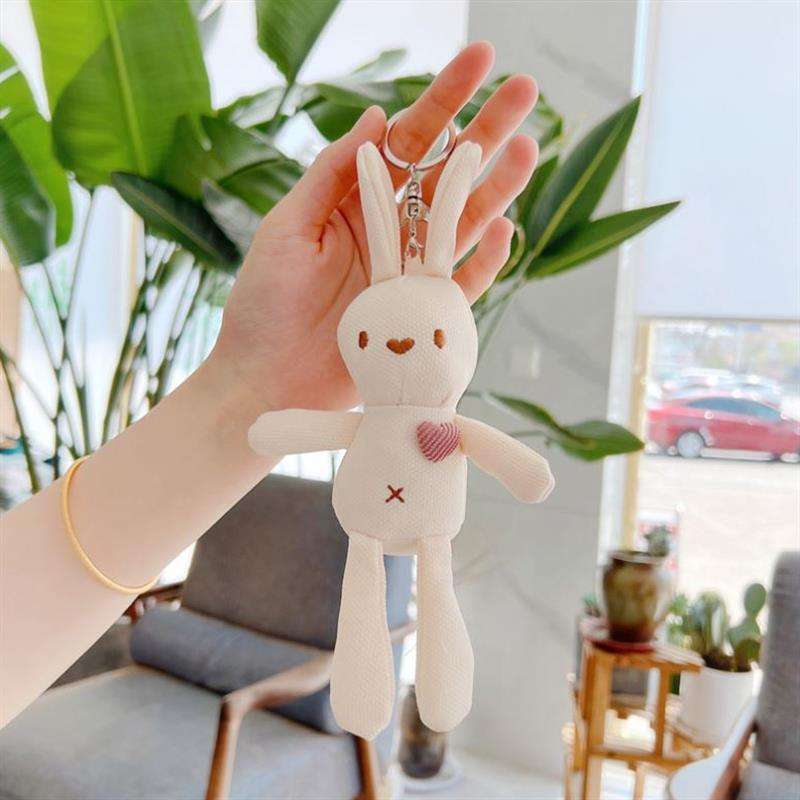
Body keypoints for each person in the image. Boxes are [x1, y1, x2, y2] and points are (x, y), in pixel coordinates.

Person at [0, 42, 539, 728]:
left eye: (430, 340)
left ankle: (441, 690)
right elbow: (288, 426)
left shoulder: (434, 416)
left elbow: (499, 459)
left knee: (434, 578)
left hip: (421, 521)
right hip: (366, 523)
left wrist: (253, 394)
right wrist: (255, 398)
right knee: (363, 584)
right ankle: (366, 697)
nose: (401, 346)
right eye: (372, 339)